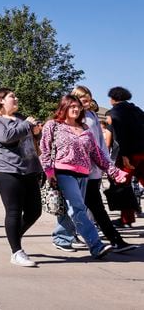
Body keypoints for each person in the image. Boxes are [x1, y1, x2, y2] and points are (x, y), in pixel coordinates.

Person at [40, 94, 127, 259]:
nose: (75, 109)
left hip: (83, 174)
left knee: (72, 209)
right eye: (71, 106)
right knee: (78, 208)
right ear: (63, 107)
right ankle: (96, 245)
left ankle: (61, 238)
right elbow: (44, 150)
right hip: (63, 172)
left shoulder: (85, 129)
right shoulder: (53, 125)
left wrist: (115, 172)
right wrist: (49, 172)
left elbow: (98, 154)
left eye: (78, 106)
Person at [72, 86, 137, 252]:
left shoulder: (92, 115)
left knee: (96, 207)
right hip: (77, 170)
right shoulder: (74, 118)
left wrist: (107, 165)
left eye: (89, 99)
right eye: (84, 100)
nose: (88, 103)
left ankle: (115, 241)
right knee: (75, 207)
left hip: (94, 170)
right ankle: (65, 235)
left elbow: (100, 143)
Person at [0, 88, 44, 267]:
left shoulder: (20, 119)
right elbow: (7, 137)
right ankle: (16, 252)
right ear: (1, 100)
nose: (16, 98)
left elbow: (31, 139)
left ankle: (13, 238)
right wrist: (27, 125)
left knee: (35, 211)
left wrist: (36, 132)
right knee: (14, 211)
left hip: (29, 170)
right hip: (6, 171)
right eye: (12, 96)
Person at [106, 86, 144, 228]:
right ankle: (130, 214)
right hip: (143, 152)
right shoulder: (138, 110)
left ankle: (126, 219)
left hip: (129, 154)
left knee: (122, 184)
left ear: (113, 98)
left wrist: (124, 155)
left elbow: (121, 135)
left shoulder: (114, 112)